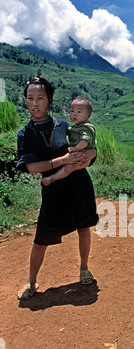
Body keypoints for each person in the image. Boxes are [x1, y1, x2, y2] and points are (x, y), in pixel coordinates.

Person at [16, 75, 99, 300]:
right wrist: (61, 162)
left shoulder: (65, 126)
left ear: (49, 102)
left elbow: (88, 149)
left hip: (78, 184)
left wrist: (92, 154)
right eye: (30, 98)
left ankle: (84, 268)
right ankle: (31, 282)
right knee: (41, 237)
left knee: (84, 227)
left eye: (40, 98)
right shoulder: (25, 134)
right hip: (53, 190)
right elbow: (31, 167)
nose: (35, 103)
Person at [41, 96, 96, 186]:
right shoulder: (73, 127)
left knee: (68, 168)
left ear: (88, 115)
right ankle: (52, 178)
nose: (74, 114)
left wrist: (75, 148)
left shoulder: (86, 127)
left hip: (81, 156)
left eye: (79, 112)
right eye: (72, 111)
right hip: (77, 156)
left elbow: (85, 141)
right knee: (67, 168)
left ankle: (52, 178)